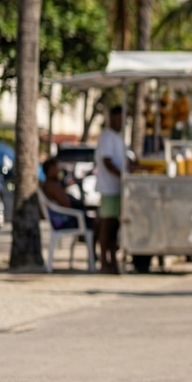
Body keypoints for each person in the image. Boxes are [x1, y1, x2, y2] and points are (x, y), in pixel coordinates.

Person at [95, 106, 128, 273]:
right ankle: (104, 262)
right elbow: (107, 161)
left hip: (116, 188)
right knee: (107, 226)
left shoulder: (117, 137)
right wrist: (122, 175)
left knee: (114, 226)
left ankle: (112, 260)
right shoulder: (107, 136)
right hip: (109, 188)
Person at [40, 158, 93, 229]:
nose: (58, 171)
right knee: (95, 223)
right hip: (64, 221)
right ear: (50, 170)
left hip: (63, 219)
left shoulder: (49, 184)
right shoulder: (52, 186)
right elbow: (66, 204)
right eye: (56, 168)